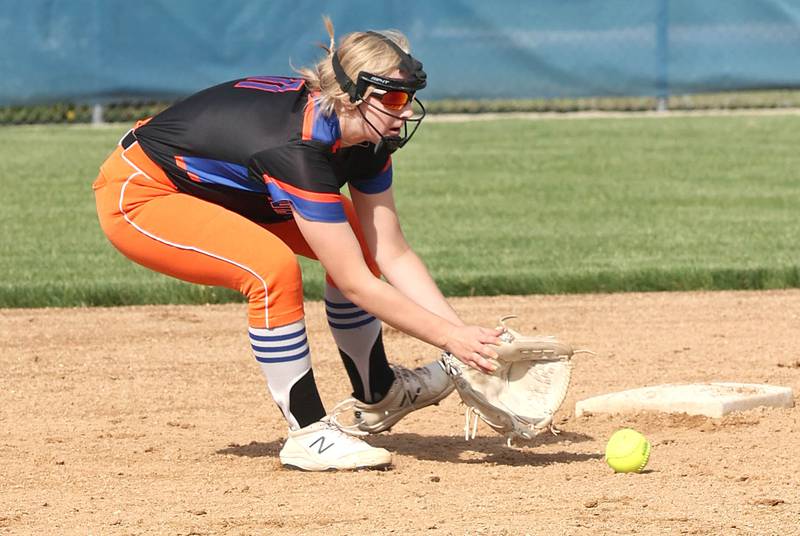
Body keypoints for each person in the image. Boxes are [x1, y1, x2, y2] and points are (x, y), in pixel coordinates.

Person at [92, 17, 502, 472]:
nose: (404, 110)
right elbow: (357, 285)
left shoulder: (367, 135)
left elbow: (392, 251)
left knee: (360, 242)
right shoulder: (296, 149)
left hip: (240, 190)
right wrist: (453, 339)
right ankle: (307, 433)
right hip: (146, 192)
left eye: (408, 96)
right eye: (391, 97)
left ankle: (379, 395)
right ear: (350, 96)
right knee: (270, 269)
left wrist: (467, 345)